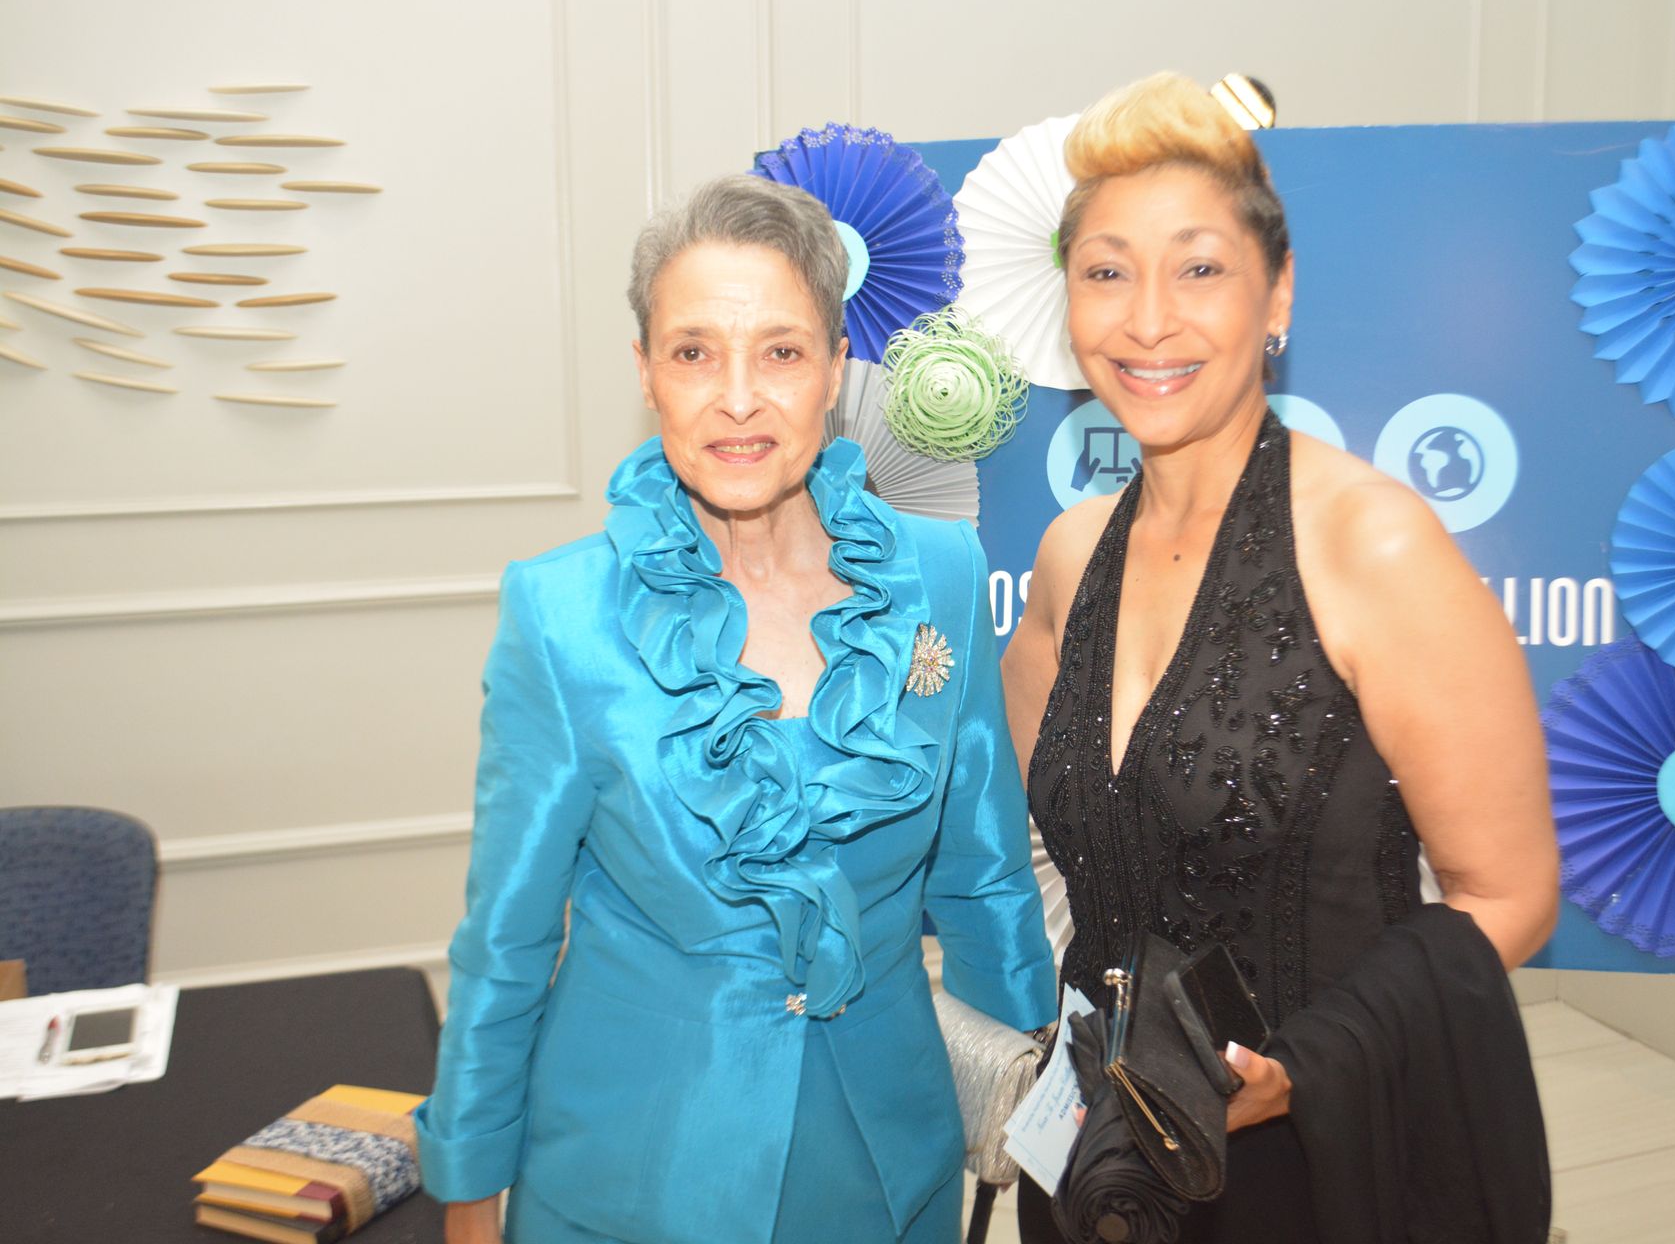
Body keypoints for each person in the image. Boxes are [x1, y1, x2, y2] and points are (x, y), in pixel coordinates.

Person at [414, 174, 1057, 1244]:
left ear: (836, 368)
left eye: (782, 351)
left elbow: (983, 876)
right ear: (645, 372)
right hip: (631, 1174)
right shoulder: (562, 614)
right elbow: (508, 936)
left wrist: (1041, 1113)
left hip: (888, 1166)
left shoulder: (940, 574)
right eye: (694, 352)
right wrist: (469, 1189)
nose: (740, 398)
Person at [1003, 74, 1560, 1241]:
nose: (1149, 319)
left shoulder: (1374, 545)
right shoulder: (1068, 556)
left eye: (1199, 268)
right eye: (1106, 271)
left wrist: (1298, 1070)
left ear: (1279, 291)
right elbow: (1062, 855)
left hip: (1316, 1160)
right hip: (1107, 1158)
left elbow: (1509, 894)